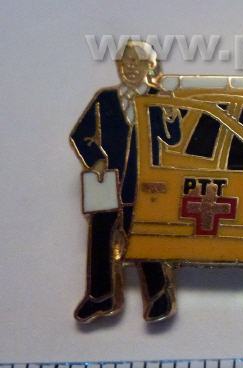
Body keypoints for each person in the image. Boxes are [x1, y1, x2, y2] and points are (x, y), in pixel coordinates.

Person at [70, 41, 181, 323]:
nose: (130, 68)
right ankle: (100, 296)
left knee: (145, 238)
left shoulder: (158, 99)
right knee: (100, 236)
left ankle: (158, 295)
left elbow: (173, 142)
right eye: (125, 62)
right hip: (107, 182)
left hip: (145, 185)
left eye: (137, 62)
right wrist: (95, 159)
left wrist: (172, 119)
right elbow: (80, 135)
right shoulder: (105, 99)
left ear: (150, 67)